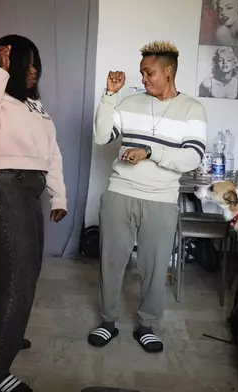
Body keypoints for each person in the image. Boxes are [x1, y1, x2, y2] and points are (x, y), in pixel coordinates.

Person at [87, 41, 207, 354]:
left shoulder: (192, 109)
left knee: (154, 268)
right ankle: (107, 321)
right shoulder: (128, 103)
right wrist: (110, 96)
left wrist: (152, 151)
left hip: (162, 200)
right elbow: (101, 137)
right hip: (120, 194)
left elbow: (192, 157)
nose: (144, 79)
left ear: (168, 72)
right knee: (111, 264)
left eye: (149, 72)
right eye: (142, 73)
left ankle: (147, 324)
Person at [0, 34, 67, 392]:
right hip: (1, 188)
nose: (35, 69)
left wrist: (58, 197)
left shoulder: (35, 107)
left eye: (37, 62)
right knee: (19, 277)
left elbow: (51, 154)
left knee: (24, 273)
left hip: (28, 189)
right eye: (27, 61)